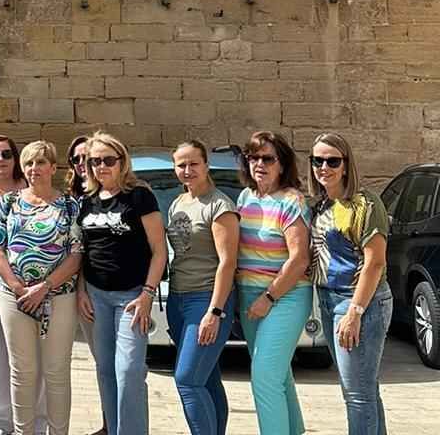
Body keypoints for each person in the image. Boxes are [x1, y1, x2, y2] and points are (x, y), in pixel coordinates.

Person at [0, 140, 82, 435]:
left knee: (56, 372)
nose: (33, 169)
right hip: (14, 297)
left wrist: (44, 287)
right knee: (22, 372)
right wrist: (17, 287)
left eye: (40, 163)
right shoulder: (10, 202)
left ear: (53, 168)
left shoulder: (69, 205)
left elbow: (77, 253)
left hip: (58, 296)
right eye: (28, 163)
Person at [75, 132, 165, 435]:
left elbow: (159, 250)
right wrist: (81, 291)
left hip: (132, 297)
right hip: (97, 296)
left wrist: (147, 295)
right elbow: (83, 253)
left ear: (122, 161)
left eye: (108, 160)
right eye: (95, 161)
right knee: (105, 371)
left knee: (128, 371)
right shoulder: (86, 202)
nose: (102, 167)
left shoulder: (139, 196)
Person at [308, 132, 392, 435]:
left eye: (332, 161)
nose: (324, 167)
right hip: (330, 300)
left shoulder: (365, 204)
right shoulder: (320, 205)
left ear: (346, 165)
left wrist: (354, 312)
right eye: (318, 160)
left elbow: (375, 262)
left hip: (359, 302)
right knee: (362, 389)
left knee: (357, 394)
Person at [236, 131, 311, 435]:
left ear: (282, 164)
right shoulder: (245, 197)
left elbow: (299, 260)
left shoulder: (292, 201)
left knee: (264, 376)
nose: (259, 164)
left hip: (286, 296)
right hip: (248, 294)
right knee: (278, 376)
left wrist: (268, 297)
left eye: (268, 158)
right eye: (253, 157)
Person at [165, 141, 239, 435]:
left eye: (193, 164)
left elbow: (227, 263)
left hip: (206, 300)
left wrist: (215, 311)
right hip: (177, 300)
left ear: (206, 165)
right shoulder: (178, 203)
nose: (187, 170)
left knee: (187, 380)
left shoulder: (220, 206)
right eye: (181, 165)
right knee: (206, 379)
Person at [0, 134, 44, 435]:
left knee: (35, 358)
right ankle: (3, 422)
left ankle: (36, 421)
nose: (0, 159)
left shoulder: (29, 192)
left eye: (6, 153)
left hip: (31, 289)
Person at [66, 135, 105, 435]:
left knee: (126, 365)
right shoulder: (73, 200)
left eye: (86, 157)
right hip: (86, 290)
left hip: (121, 289)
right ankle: (109, 423)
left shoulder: (125, 194)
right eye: (76, 160)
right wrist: (80, 290)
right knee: (101, 359)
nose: (82, 164)